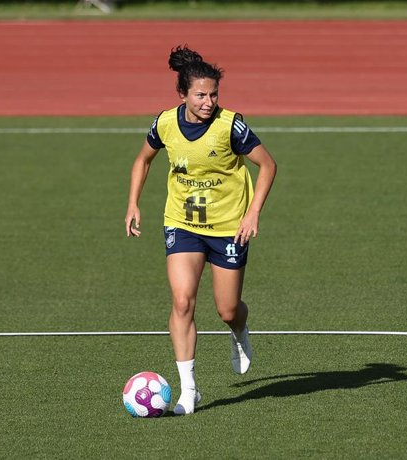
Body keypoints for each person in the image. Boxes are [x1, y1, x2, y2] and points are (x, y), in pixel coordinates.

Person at [125, 45, 277, 415]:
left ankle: (239, 331)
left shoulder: (231, 126)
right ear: (183, 95)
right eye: (201, 95)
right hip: (182, 224)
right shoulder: (164, 123)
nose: (209, 102)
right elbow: (143, 160)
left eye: (213, 94)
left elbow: (268, 166)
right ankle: (188, 390)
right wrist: (133, 203)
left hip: (228, 228)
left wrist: (252, 213)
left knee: (227, 310)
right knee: (182, 301)